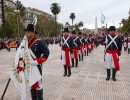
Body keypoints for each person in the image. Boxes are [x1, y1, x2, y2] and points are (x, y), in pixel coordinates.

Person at [25, 24, 50, 100]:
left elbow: (46, 53)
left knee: (38, 85)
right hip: (29, 68)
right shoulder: (25, 43)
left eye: (29, 31)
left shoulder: (39, 42)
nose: (27, 33)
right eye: (27, 32)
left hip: (37, 67)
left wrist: (37, 62)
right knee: (32, 84)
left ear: (33, 32)